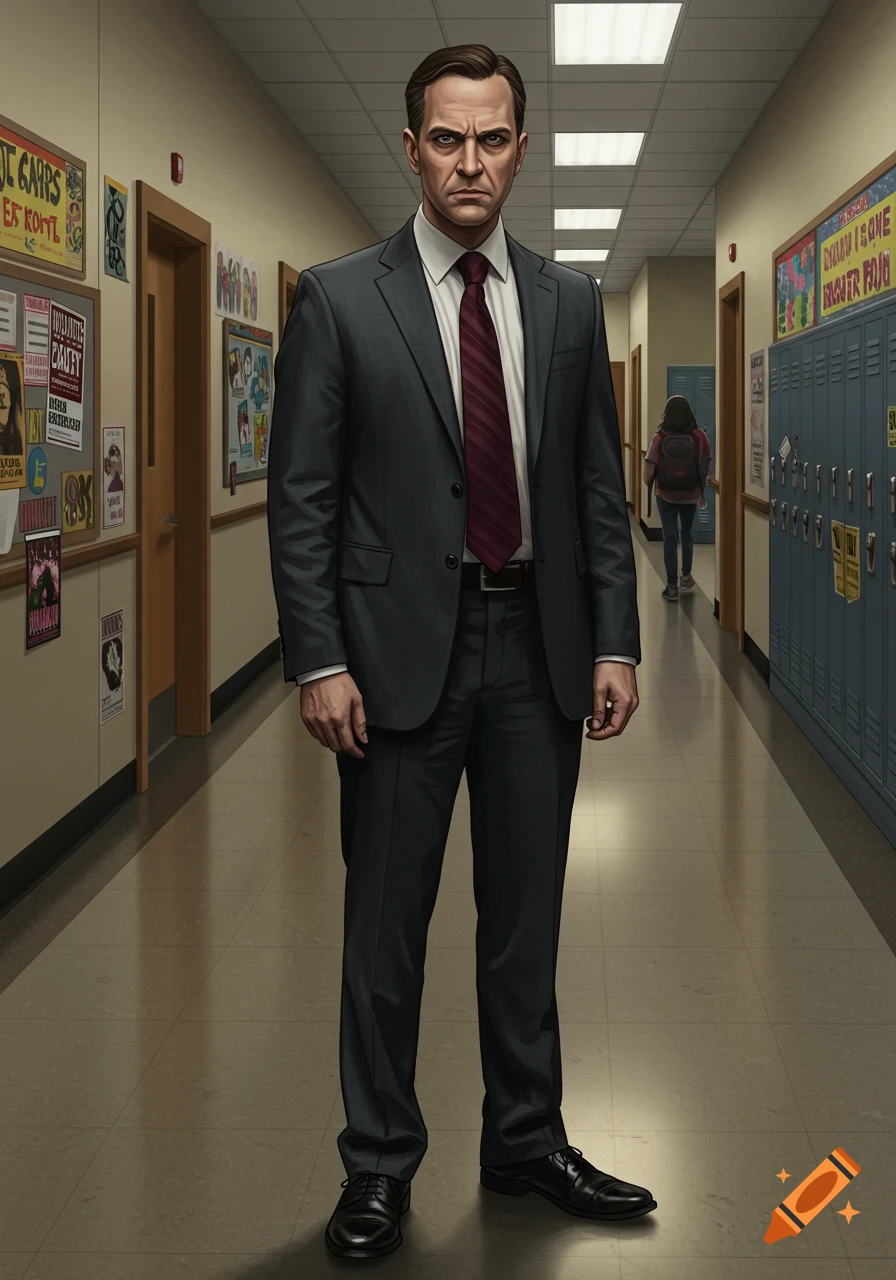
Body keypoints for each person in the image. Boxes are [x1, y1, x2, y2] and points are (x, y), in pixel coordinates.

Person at [268, 43, 655, 1262]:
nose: (469, 161)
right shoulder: (340, 299)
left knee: (523, 920)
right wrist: (316, 656)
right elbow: (303, 501)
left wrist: (617, 640)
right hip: (391, 663)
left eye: (491, 139)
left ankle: (524, 1136)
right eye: (446, 138)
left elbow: (595, 488)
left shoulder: (567, 302)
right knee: (385, 928)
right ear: (411, 147)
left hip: (535, 647)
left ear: (520, 149)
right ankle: (377, 1161)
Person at [643, 394, 712, 602]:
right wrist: (701, 491)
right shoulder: (700, 437)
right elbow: (706, 465)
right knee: (686, 534)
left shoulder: (660, 438)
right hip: (690, 494)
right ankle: (686, 576)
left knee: (670, 537)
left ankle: (671, 586)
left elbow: (648, 473)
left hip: (665, 494)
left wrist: (651, 483)